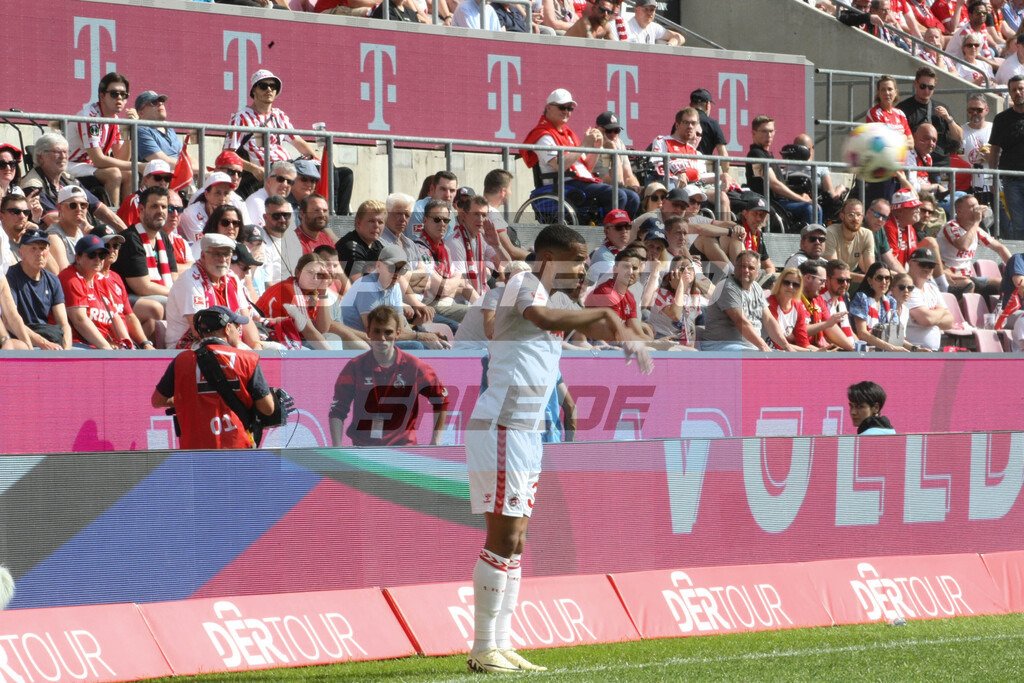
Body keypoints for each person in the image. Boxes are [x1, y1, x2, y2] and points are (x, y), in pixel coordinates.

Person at [464, 224, 652, 674]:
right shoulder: (522, 283)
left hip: (527, 431)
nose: (585, 267)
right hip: (502, 425)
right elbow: (545, 322)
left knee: (519, 540)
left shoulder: (559, 299)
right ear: (550, 258)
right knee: (502, 538)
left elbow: (550, 344)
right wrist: (608, 320)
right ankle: (483, 646)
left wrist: (626, 331)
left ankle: (502, 643)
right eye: (579, 258)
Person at [152, 306, 287, 449]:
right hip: (237, 447)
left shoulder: (181, 361)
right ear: (228, 328)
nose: (239, 332)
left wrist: (190, 399)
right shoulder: (248, 359)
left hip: (194, 449)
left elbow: (157, 400)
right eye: (238, 328)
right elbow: (267, 408)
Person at [329, 305, 450, 447]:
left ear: (397, 333)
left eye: (388, 332)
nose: (382, 338)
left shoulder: (415, 366)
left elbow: (441, 400)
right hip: (363, 451)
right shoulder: (355, 367)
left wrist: (436, 442)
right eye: (377, 331)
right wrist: (337, 447)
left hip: (404, 451)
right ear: (368, 332)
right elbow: (337, 411)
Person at [521, 89, 640, 218]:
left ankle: (623, 232)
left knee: (633, 197)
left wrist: (598, 147)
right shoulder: (543, 135)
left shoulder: (569, 135)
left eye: (569, 109)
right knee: (618, 194)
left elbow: (587, 168)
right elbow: (558, 166)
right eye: (562, 107)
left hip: (581, 180)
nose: (566, 112)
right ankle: (608, 232)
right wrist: (584, 146)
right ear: (548, 108)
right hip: (563, 184)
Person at [338, 244, 447, 348]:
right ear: (378, 266)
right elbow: (377, 333)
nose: (397, 273)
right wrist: (420, 336)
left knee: (437, 345)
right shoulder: (367, 286)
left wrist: (427, 335)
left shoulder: (395, 287)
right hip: (354, 344)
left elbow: (399, 329)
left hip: (374, 342)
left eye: (402, 269)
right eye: (392, 268)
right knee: (416, 346)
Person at [165, 233, 262, 350]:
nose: (222, 260)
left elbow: (246, 319)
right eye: (217, 254)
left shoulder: (232, 278)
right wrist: (238, 347)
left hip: (228, 341)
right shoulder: (189, 280)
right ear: (203, 255)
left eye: (226, 254)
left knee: (274, 349)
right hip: (188, 346)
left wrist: (256, 345)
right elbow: (201, 329)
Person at [223, 69, 317, 185]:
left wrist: (320, 161)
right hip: (268, 169)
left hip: (289, 164)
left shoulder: (279, 115)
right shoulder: (241, 117)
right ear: (254, 91)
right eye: (263, 86)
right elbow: (228, 153)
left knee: (342, 173)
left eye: (273, 86)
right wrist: (254, 169)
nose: (269, 89)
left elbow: (298, 142)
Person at [19, 133, 125, 231]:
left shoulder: (69, 180)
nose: (63, 156)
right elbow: (55, 221)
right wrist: (93, 232)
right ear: (40, 157)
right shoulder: (33, 186)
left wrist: (127, 232)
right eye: (57, 152)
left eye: (66, 152)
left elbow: (100, 208)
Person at [701, 250, 798, 351]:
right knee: (764, 360)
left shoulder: (756, 287)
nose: (746, 270)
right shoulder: (727, 286)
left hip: (750, 348)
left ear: (757, 273)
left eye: (751, 268)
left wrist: (787, 347)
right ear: (735, 268)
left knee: (785, 360)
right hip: (721, 346)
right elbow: (741, 321)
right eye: (742, 266)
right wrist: (763, 346)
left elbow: (768, 320)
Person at [66, 72, 135, 206]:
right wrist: (138, 165)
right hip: (69, 163)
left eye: (124, 95)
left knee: (130, 174)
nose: (119, 98)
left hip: (88, 165)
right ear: (102, 96)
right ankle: (112, 222)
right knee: (114, 173)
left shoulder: (115, 120)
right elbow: (98, 160)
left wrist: (129, 130)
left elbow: (122, 159)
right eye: (114, 94)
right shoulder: (90, 116)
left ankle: (127, 220)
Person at [59, 234, 131, 349]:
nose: (98, 259)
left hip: (98, 345)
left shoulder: (100, 278)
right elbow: (79, 320)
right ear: (77, 258)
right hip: (77, 344)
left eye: (102, 255)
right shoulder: (70, 278)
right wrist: (106, 348)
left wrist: (127, 344)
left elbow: (114, 316)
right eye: (92, 255)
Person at [112, 186, 178, 309]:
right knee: (170, 304)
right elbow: (142, 287)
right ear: (141, 209)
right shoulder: (131, 238)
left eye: (164, 207)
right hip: (124, 299)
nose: (160, 211)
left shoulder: (163, 237)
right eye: (154, 206)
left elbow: (174, 276)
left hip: (155, 295)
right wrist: (177, 294)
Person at [744, 115, 817, 227]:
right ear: (754, 133)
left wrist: (801, 196)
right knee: (811, 209)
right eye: (764, 131)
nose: (768, 135)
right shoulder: (756, 155)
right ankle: (812, 240)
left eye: (771, 131)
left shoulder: (767, 155)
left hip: (781, 202)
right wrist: (801, 199)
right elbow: (773, 184)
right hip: (772, 203)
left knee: (817, 207)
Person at [94, 225, 158, 349]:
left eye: (116, 246)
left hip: (124, 343)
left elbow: (129, 315)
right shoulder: (89, 277)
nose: (112, 250)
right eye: (106, 246)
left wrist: (145, 343)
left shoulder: (116, 277)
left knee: (153, 323)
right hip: (103, 346)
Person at [5, 228, 69, 349]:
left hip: (46, 337)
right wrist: (44, 344)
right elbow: (10, 321)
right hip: (19, 337)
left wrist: (67, 352)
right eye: (33, 248)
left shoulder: (53, 280)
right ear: (21, 253)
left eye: (42, 248)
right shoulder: (10, 277)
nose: (39, 253)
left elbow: (64, 323)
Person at [937, 192, 1012, 296]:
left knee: (1005, 283)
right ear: (959, 211)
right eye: (972, 207)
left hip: (968, 276)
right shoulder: (951, 226)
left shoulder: (976, 230)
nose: (977, 210)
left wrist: (1016, 269)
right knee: (969, 285)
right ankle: (959, 311)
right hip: (950, 276)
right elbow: (963, 246)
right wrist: (976, 222)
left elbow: (1000, 248)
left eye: (977, 206)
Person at [897, 67, 963, 171]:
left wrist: (948, 119)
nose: (926, 90)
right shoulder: (903, 109)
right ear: (916, 84)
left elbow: (958, 136)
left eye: (931, 87)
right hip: (915, 165)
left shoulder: (942, 108)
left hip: (940, 165)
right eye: (923, 86)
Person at [988, 75, 1024, 239]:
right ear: (1009, 92)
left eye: (1021, 88)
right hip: (1011, 180)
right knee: (1019, 225)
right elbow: (994, 149)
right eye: (1014, 90)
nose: (1018, 93)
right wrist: (993, 177)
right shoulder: (1001, 119)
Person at [648, 254, 707, 347]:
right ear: (673, 273)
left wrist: (692, 350)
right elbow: (675, 315)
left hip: (682, 343)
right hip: (661, 338)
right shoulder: (661, 293)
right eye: (682, 268)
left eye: (690, 267)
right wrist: (681, 287)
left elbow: (691, 328)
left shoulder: (694, 296)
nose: (687, 271)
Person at [849, 261, 907, 351]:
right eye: (879, 278)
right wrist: (892, 348)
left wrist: (915, 348)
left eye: (887, 278)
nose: (884, 282)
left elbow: (895, 336)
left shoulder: (891, 302)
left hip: (886, 351)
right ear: (869, 280)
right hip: (864, 352)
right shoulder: (861, 298)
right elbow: (862, 334)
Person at [905, 246, 954, 350]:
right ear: (910, 263)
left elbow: (950, 322)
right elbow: (927, 319)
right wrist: (940, 310)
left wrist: (932, 317)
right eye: (923, 264)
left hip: (932, 352)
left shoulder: (932, 287)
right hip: (912, 350)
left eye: (931, 265)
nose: (927, 268)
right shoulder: (904, 288)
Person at [800, 259, 855, 350]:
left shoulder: (818, 299)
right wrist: (826, 324)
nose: (824, 285)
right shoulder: (794, 300)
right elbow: (797, 333)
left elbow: (831, 327)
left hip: (815, 351)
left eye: (848, 280)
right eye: (822, 281)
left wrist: (854, 350)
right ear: (808, 278)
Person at [824, 199, 876, 285]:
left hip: (848, 279)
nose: (855, 219)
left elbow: (871, 269)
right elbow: (834, 270)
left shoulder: (867, 234)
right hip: (829, 281)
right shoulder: (830, 233)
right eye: (851, 215)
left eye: (858, 215)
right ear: (842, 216)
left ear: (862, 217)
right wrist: (869, 280)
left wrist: (874, 279)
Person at [592, 111, 642, 196]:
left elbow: (628, 175)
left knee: (635, 196)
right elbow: (615, 182)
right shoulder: (594, 146)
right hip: (599, 189)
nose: (613, 134)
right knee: (622, 195)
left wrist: (635, 186)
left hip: (616, 189)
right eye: (609, 130)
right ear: (598, 129)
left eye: (616, 130)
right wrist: (613, 150)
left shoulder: (619, 143)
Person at [178, 172, 235, 246]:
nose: (222, 198)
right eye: (217, 193)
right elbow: (205, 246)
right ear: (206, 194)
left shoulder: (233, 212)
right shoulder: (192, 213)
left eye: (226, 193)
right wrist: (214, 219)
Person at [337, 199, 386, 279]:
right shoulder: (351, 247)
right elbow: (359, 284)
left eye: (380, 222)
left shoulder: (377, 245)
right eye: (371, 221)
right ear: (358, 223)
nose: (376, 226)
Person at [116, 159, 173, 227]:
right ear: (145, 180)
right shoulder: (133, 202)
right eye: (158, 178)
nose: (163, 183)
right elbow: (128, 234)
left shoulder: (172, 201)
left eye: (167, 179)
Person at [259, 194, 302, 283]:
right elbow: (267, 284)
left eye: (286, 215)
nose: (282, 219)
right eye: (276, 216)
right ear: (265, 217)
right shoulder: (259, 243)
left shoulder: (293, 236)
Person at [766, 267, 812, 349]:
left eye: (795, 285)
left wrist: (821, 352)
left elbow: (803, 343)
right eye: (786, 283)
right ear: (779, 283)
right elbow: (777, 343)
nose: (790, 287)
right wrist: (811, 352)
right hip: (770, 351)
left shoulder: (798, 306)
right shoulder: (770, 303)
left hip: (788, 351)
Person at [134, 90, 182, 166]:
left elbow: (186, 156)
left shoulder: (170, 129)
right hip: (162, 176)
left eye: (162, 101)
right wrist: (192, 168)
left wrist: (202, 169)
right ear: (141, 113)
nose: (160, 104)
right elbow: (163, 162)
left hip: (182, 172)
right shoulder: (140, 131)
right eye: (154, 102)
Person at [244, 160, 296, 229]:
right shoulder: (256, 201)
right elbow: (262, 235)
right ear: (268, 180)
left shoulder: (287, 205)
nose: (285, 185)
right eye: (280, 179)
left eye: (289, 182)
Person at [962, 94, 994, 203]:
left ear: (986, 110)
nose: (975, 113)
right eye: (971, 110)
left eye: (979, 110)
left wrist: (994, 157)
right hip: (969, 186)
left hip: (991, 185)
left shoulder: (994, 129)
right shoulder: (961, 131)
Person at [409, 170, 459, 239]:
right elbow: (415, 245)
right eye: (443, 189)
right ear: (432, 189)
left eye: (452, 191)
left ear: (456, 192)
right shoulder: (418, 210)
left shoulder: (451, 216)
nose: (448, 195)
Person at [891, 271, 930, 351]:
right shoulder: (885, 307)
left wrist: (917, 349)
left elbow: (899, 340)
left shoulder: (905, 310)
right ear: (892, 289)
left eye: (910, 288)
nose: (906, 291)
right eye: (902, 287)